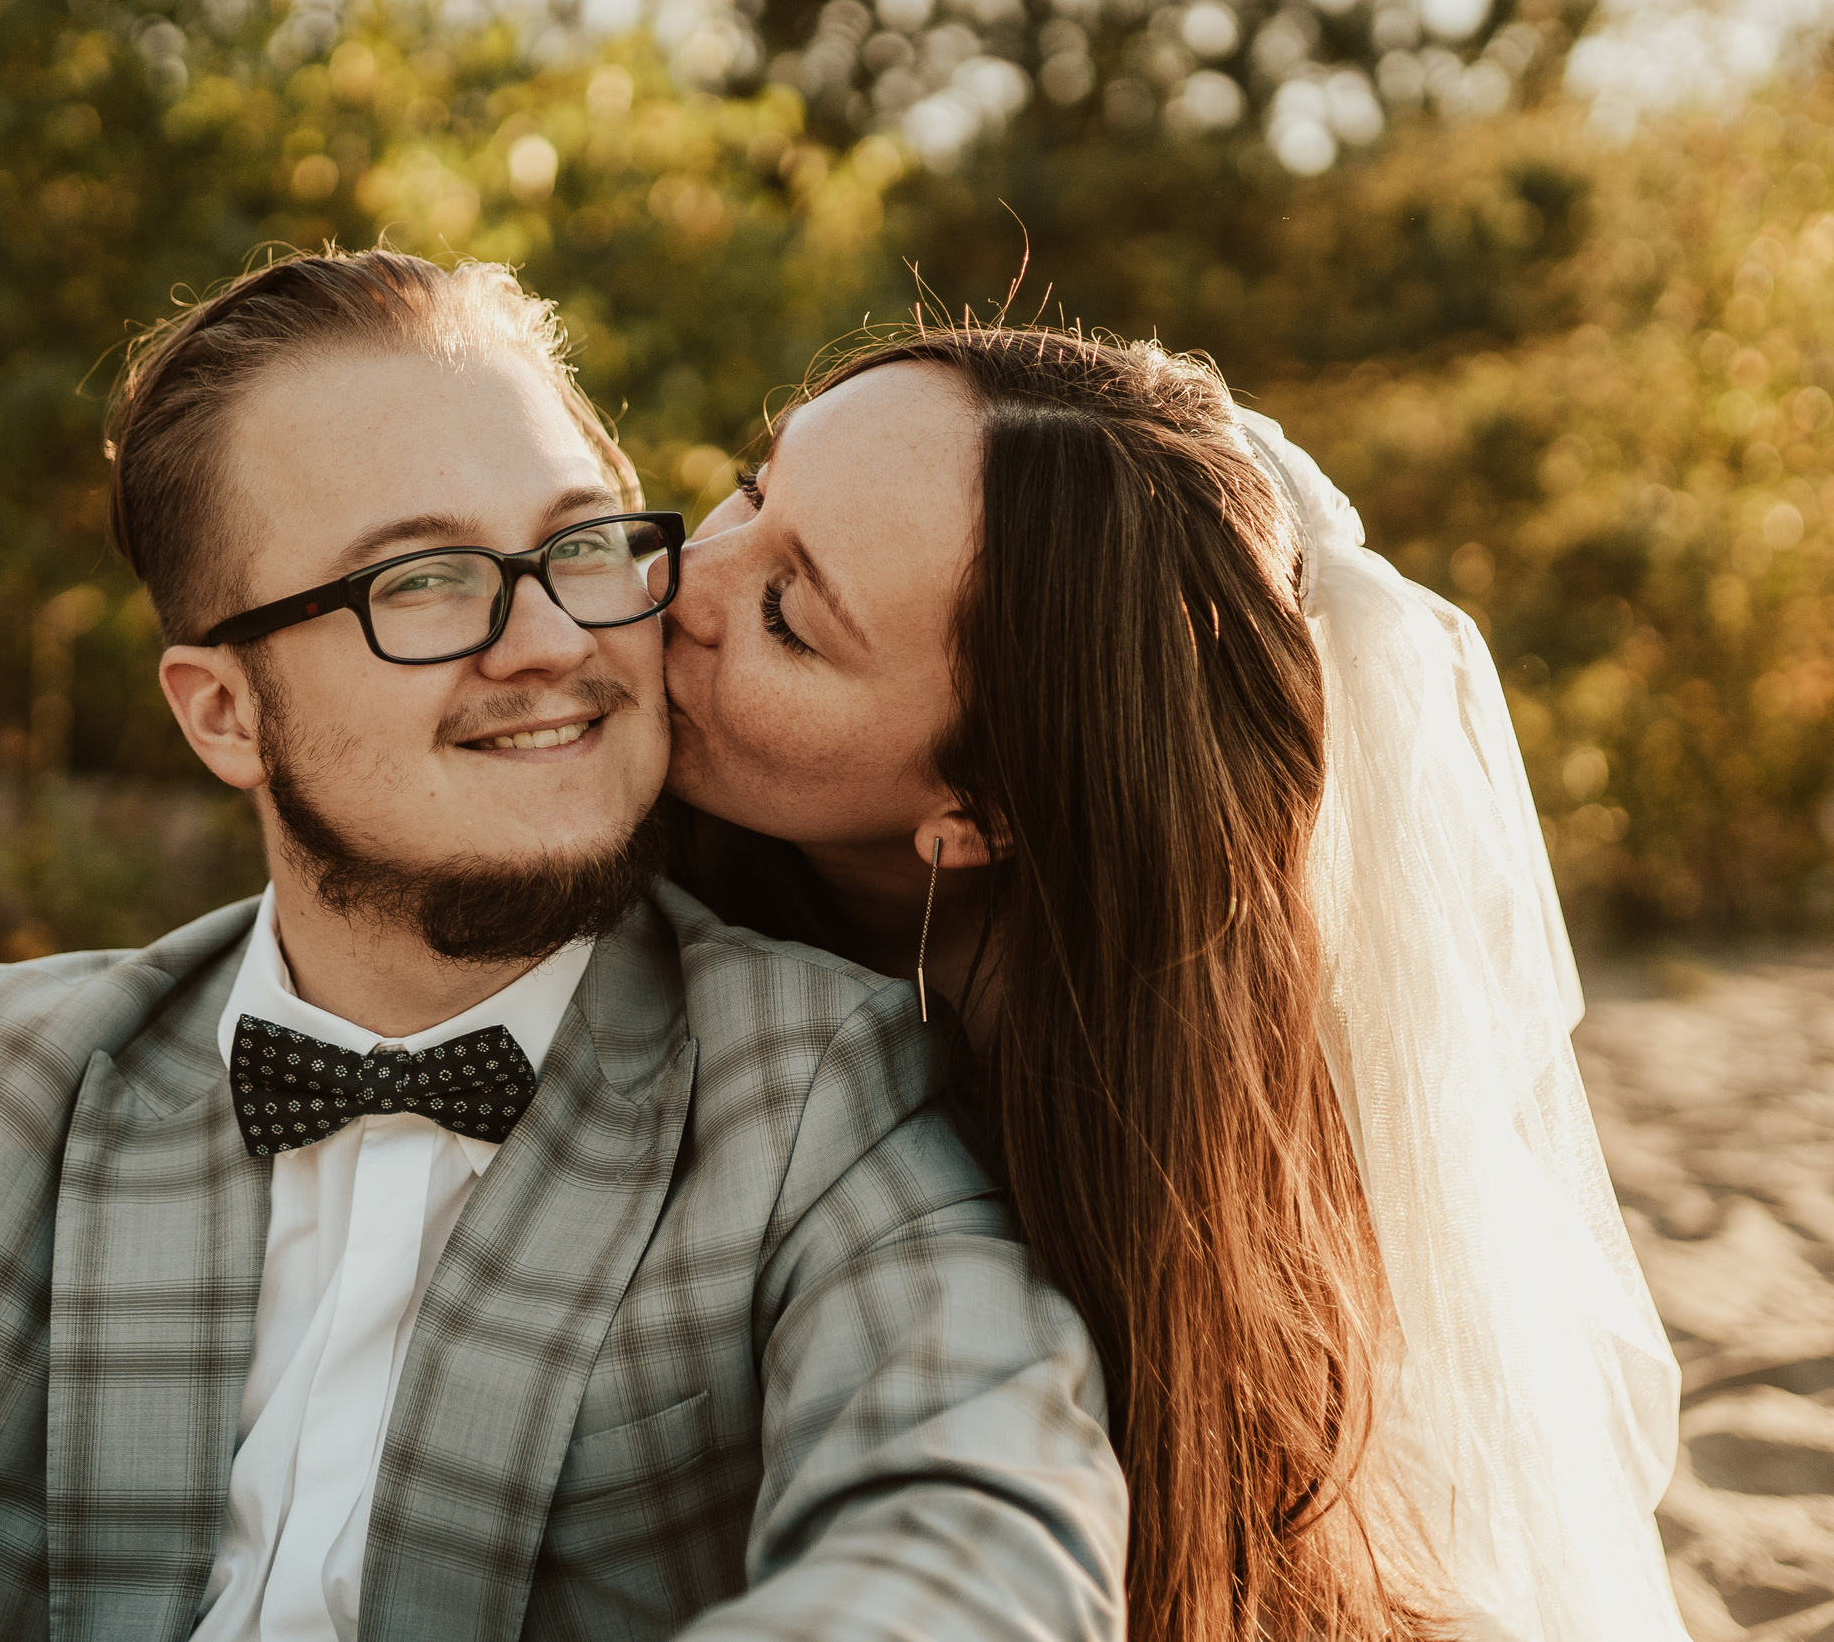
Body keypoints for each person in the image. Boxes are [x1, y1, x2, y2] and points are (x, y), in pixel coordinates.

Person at [0, 253, 1127, 1642]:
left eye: (577, 545)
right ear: (223, 713)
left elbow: (971, 1540)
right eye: (422, 583)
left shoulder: (828, 1092)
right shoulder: (27, 1079)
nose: (550, 640)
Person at [662, 324, 1689, 1642]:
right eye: (751, 490)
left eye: (787, 617)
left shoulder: (1139, 1210)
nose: (676, 579)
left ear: (980, 813)